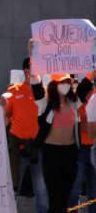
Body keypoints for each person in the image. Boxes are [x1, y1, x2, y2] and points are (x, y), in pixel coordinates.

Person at [0, 57, 48, 213]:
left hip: (37, 148)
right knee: (13, 189)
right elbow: (5, 119)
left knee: (41, 191)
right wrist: (2, 107)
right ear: (26, 71)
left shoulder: (44, 92)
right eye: (32, 69)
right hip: (18, 149)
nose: (34, 72)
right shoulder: (13, 91)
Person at [31, 72, 81, 213]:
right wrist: (33, 58)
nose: (65, 85)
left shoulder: (74, 102)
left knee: (66, 195)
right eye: (61, 82)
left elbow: (86, 85)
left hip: (70, 153)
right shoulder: (45, 101)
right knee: (55, 195)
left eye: (67, 82)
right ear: (54, 84)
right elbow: (36, 85)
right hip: (51, 153)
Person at [68, 70, 96, 213]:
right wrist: (80, 126)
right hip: (80, 151)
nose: (90, 94)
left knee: (94, 193)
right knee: (75, 191)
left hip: (94, 149)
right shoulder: (77, 102)